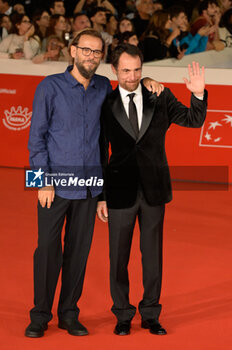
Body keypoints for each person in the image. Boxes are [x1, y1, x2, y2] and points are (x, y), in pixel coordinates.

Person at [25, 28, 164, 338]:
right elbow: (35, 139)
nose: (91, 56)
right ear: (72, 50)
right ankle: (40, 315)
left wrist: (144, 81)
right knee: (47, 250)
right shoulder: (49, 87)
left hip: (89, 187)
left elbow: (127, 85)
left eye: (97, 52)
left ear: (103, 57)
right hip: (54, 185)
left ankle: (69, 314)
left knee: (79, 251)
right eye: (85, 50)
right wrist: (40, 182)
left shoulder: (102, 86)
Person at [97, 44, 207, 336]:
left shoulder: (160, 95)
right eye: (125, 70)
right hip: (119, 192)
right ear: (114, 70)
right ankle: (122, 314)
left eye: (137, 70)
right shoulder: (105, 105)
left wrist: (197, 94)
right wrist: (101, 197)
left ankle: (150, 314)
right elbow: (100, 154)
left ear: (142, 68)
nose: (132, 77)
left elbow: (193, 121)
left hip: (154, 190)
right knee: (118, 258)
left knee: (152, 256)